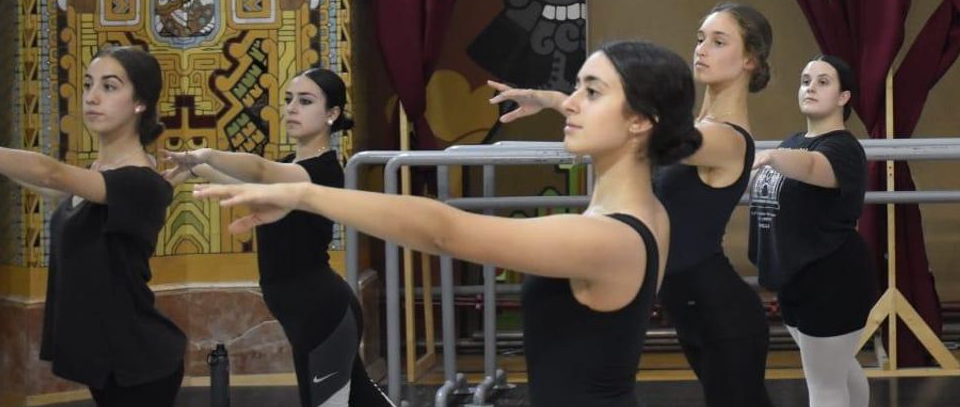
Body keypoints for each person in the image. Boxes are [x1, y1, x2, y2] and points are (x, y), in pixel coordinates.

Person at [198, 41, 701, 407]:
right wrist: (551, 99)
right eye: (575, 88)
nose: (570, 102)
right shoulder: (647, 213)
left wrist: (305, 193)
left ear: (641, 121)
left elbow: (444, 231)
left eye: (591, 92)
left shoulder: (609, 238)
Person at [493, 4, 775, 406]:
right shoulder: (699, 128)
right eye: (699, 39)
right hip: (693, 310)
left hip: (723, 315)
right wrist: (562, 101)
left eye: (718, 41)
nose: (702, 49)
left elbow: (651, 132)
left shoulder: (729, 140)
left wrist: (562, 101)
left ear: (750, 60)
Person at [165, 68, 393, 406]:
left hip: (323, 313)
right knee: (360, 398)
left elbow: (259, 173)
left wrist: (206, 156)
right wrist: (199, 172)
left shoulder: (324, 170)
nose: (291, 109)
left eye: (305, 101)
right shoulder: (289, 164)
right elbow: (255, 190)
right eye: (288, 100)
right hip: (304, 314)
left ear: (332, 114)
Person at [0, 46, 187, 406]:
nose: (91, 97)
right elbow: (52, 186)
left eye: (109, 87)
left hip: (138, 363)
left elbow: (51, 172)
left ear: (140, 101)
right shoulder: (97, 174)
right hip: (110, 360)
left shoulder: (139, 181)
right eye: (88, 84)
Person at [748, 56, 874, 407]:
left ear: (843, 97)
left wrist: (773, 156)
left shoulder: (843, 148)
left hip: (833, 279)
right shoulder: (795, 140)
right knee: (839, 370)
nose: (810, 88)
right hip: (797, 278)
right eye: (805, 80)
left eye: (823, 82)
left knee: (825, 384)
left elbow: (812, 167)